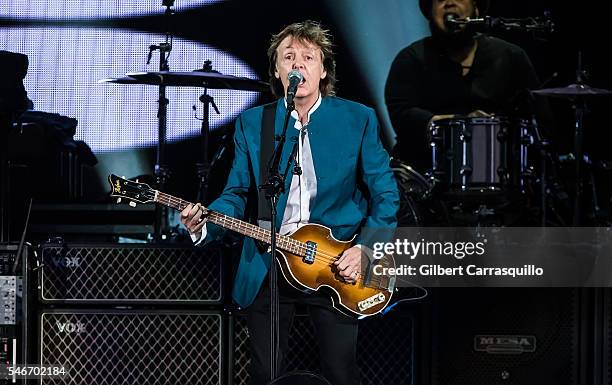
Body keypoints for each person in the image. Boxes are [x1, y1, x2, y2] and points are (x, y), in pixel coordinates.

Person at [181, 20, 399, 385]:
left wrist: (364, 249)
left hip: (335, 264)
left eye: (308, 57)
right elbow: (235, 194)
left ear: (323, 68)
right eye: (288, 57)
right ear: (278, 71)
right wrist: (206, 222)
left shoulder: (357, 118)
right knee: (265, 374)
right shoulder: (255, 123)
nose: (298, 65)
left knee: (341, 372)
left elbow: (386, 194)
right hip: (270, 258)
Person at [385, 0, 544, 174]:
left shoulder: (511, 57)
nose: (449, 3)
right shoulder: (411, 59)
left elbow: (540, 119)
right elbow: (401, 114)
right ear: (430, 13)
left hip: (500, 175)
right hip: (427, 179)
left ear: (476, 10)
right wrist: (461, 124)